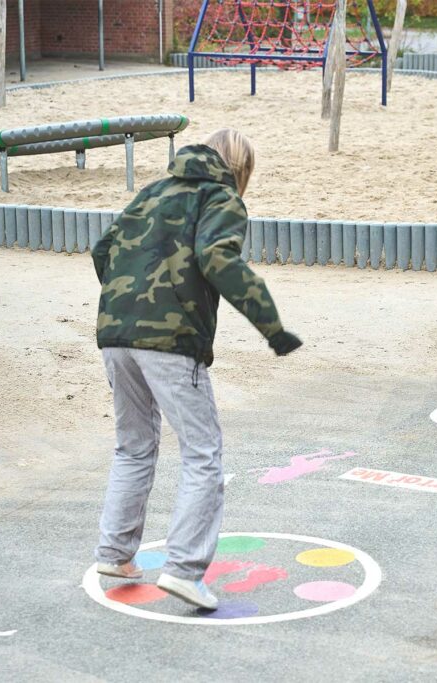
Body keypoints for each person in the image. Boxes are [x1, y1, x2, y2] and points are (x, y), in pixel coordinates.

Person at [90, 129, 301, 610]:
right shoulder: (222, 197)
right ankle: (185, 569)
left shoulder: (152, 192)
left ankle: (116, 553)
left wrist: (128, 301)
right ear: (240, 169)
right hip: (171, 341)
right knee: (202, 451)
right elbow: (217, 259)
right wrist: (273, 328)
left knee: (134, 445)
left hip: (115, 336)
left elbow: (103, 250)